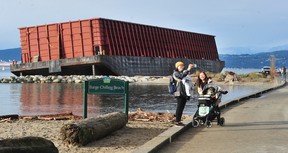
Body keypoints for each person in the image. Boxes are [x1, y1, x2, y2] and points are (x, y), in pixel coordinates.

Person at [173, 61, 194, 126]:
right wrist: (188, 69)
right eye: (180, 66)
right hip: (179, 92)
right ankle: (177, 121)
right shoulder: (176, 73)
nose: (182, 67)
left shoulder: (182, 72)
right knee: (179, 107)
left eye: (182, 66)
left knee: (182, 107)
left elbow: (187, 78)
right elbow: (181, 76)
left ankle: (179, 121)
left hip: (184, 93)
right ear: (177, 67)